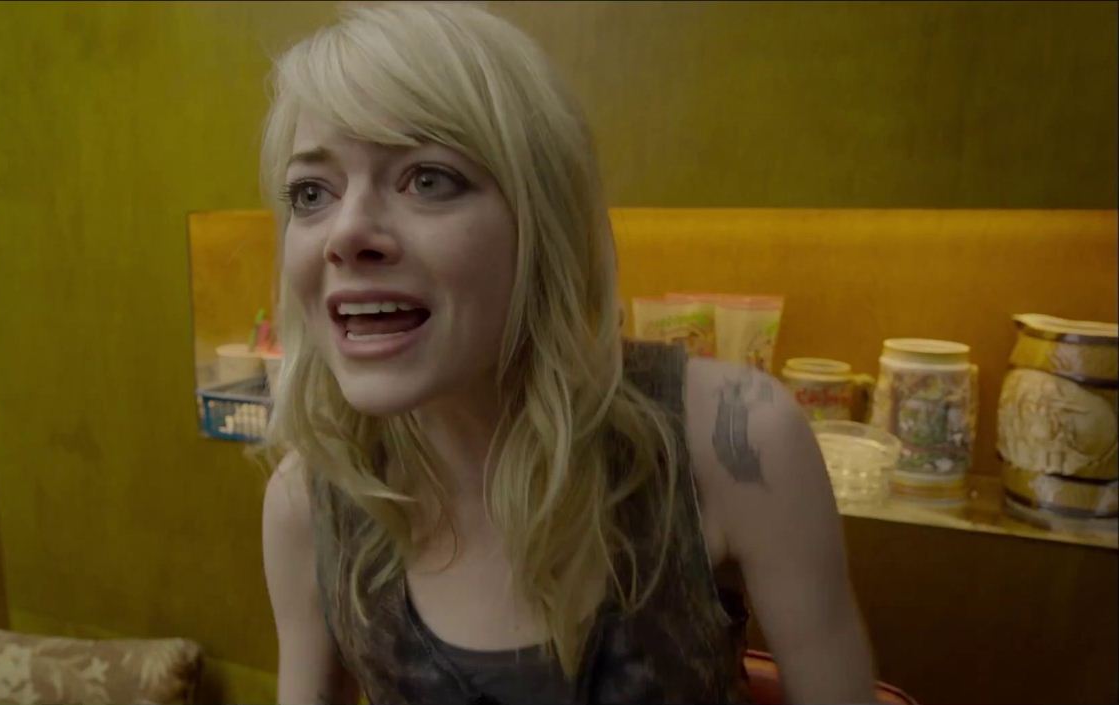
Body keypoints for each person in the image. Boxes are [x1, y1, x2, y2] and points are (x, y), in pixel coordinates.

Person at [259, 3, 877, 703]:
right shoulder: (308, 504)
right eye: (311, 192)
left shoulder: (735, 440)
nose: (345, 234)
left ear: (544, 217)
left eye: (428, 179)